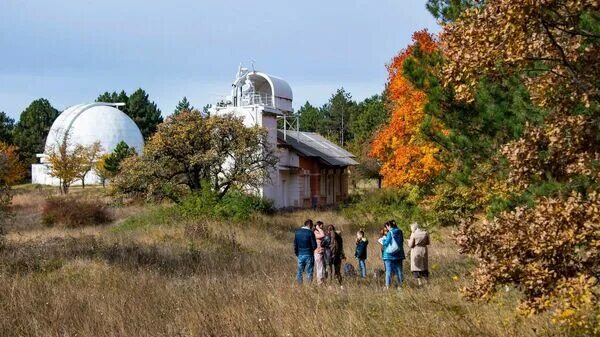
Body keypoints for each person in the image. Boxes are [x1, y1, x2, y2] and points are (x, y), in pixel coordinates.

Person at [382, 220, 405, 289]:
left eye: (387, 226)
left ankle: (387, 286)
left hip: (389, 256)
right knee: (399, 270)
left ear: (389, 225)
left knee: (388, 271)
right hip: (399, 254)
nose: (387, 228)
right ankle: (400, 286)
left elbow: (386, 243)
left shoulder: (390, 232)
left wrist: (383, 240)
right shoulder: (400, 232)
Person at [294, 219, 317, 285]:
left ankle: (299, 286)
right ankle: (309, 286)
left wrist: (297, 253)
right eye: (312, 224)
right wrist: (311, 250)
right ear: (309, 224)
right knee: (309, 271)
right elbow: (314, 246)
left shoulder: (297, 232)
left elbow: (295, 245)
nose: (312, 226)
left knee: (299, 271)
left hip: (300, 255)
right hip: (309, 254)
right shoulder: (310, 233)